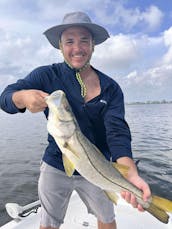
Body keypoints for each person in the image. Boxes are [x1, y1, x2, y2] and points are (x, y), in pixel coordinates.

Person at [0, 11, 151, 229]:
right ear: (60, 46)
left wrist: (130, 171)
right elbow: (5, 97)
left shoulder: (111, 88)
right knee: (48, 223)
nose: (77, 48)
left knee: (107, 220)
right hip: (55, 163)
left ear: (93, 45)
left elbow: (117, 132)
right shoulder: (45, 76)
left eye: (84, 40)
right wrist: (21, 97)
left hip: (101, 169)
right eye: (69, 41)